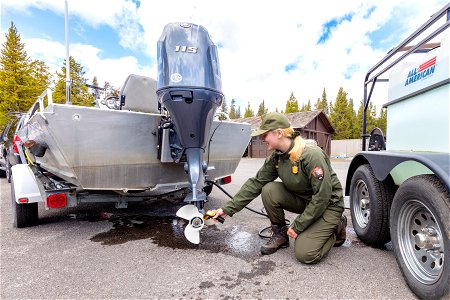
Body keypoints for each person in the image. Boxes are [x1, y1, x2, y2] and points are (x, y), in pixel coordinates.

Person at [213, 112, 347, 264]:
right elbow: (256, 183)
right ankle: (281, 234)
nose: (262, 139)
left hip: (328, 205)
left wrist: (299, 224)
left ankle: (336, 226)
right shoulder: (277, 157)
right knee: (269, 189)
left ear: (279, 133)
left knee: (305, 254)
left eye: (265, 135)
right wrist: (227, 210)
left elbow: (322, 196)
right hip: (308, 202)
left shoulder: (311, 154)